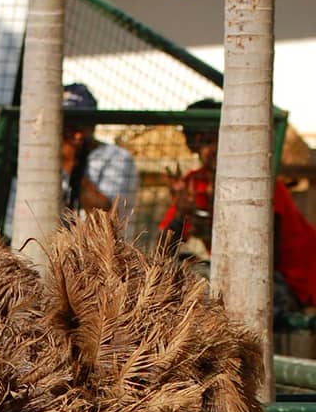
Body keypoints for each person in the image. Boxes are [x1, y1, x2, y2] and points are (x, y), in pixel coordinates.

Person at [159, 97, 316, 316]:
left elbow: (269, 256)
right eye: (202, 141)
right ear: (192, 145)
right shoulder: (194, 183)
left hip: (290, 281)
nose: (211, 149)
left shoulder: (260, 181)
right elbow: (162, 251)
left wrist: (209, 226)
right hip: (234, 275)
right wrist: (181, 213)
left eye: (216, 139)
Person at [61, 82, 140, 231]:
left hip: (105, 252)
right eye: (68, 127)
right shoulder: (42, 160)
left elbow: (105, 219)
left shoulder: (116, 157)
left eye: (82, 125)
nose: (76, 135)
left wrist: (70, 165)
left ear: (93, 124)